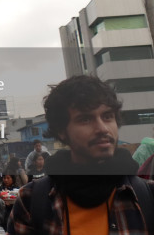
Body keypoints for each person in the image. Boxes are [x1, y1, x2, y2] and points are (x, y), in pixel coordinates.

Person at [8, 74, 154, 234]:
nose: (103, 128)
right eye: (85, 119)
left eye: (107, 116)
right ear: (61, 131)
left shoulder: (147, 197)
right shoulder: (32, 200)